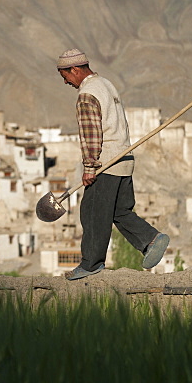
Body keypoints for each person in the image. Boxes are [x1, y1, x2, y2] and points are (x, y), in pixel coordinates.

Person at [56, 48, 169, 280]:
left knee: (93, 213)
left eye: (65, 76)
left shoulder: (87, 94)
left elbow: (91, 134)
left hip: (105, 163)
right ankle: (150, 239)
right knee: (120, 211)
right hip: (124, 160)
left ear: (75, 70)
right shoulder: (107, 84)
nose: (66, 82)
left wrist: (89, 167)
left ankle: (90, 265)